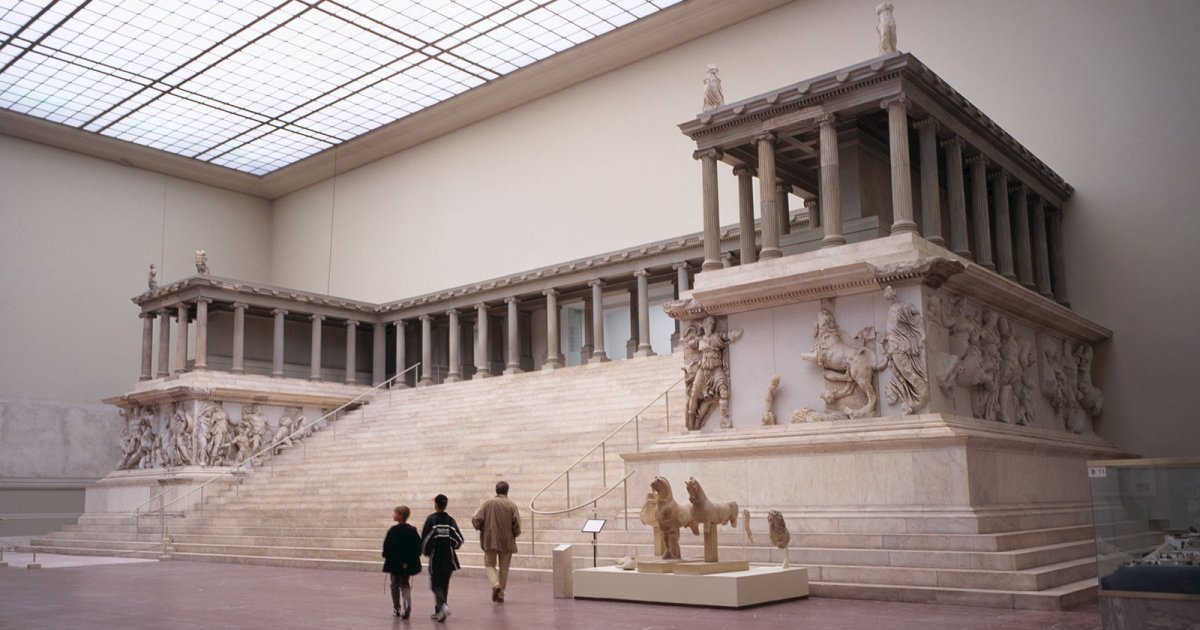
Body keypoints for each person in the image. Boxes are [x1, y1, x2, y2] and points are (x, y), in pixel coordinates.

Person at [472, 480, 522, 603]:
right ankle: (501, 594)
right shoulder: (511, 505)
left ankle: (495, 585)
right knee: (504, 568)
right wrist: (515, 533)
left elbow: (476, 518)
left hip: (490, 539)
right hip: (507, 540)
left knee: (489, 564)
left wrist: (479, 527)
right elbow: (517, 524)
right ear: (507, 491)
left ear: (496, 490)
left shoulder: (488, 503)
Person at [421, 494, 463, 622]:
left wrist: (426, 551)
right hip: (449, 558)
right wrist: (451, 545)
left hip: (436, 558)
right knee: (444, 585)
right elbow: (459, 540)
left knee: (435, 585)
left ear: (436, 505)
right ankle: (438, 611)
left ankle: (443, 606)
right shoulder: (450, 521)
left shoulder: (431, 520)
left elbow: (425, 540)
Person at [382, 505, 421, 619]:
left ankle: (396, 608)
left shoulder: (393, 531)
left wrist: (386, 557)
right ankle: (407, 602)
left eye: (395, 513)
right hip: (407, 564)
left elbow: (387, 547)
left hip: (394, 563)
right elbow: (418, 547)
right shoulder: (412, 530)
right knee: (405, 584)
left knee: (394, 584)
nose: (393, 515)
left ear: (400, 515)